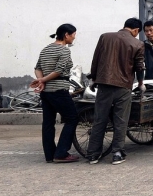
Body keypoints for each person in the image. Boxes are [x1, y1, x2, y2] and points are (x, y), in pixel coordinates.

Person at [86, 18, 146, 165]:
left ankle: (93, 154)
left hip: (104, 85)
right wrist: (140, 83)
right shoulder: (137, 44)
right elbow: (139, 67)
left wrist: (94, 78)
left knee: (100, 119)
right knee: (121, 121)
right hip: (123, 87)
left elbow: (96, 60)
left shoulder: (105, 37)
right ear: (136, 30)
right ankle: (117, 153)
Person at [31, 23, 79, 163]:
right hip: (59, 90)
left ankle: (50, 154)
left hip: (46, 92)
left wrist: (41, 81)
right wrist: (43, 80)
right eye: (73, 35)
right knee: (72, 118)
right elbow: (58, 70)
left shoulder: (45, 49)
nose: (74, 38)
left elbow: (38, 67)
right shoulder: (64, 50)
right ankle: (61, 153)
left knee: (48, 123)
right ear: (66, 35)